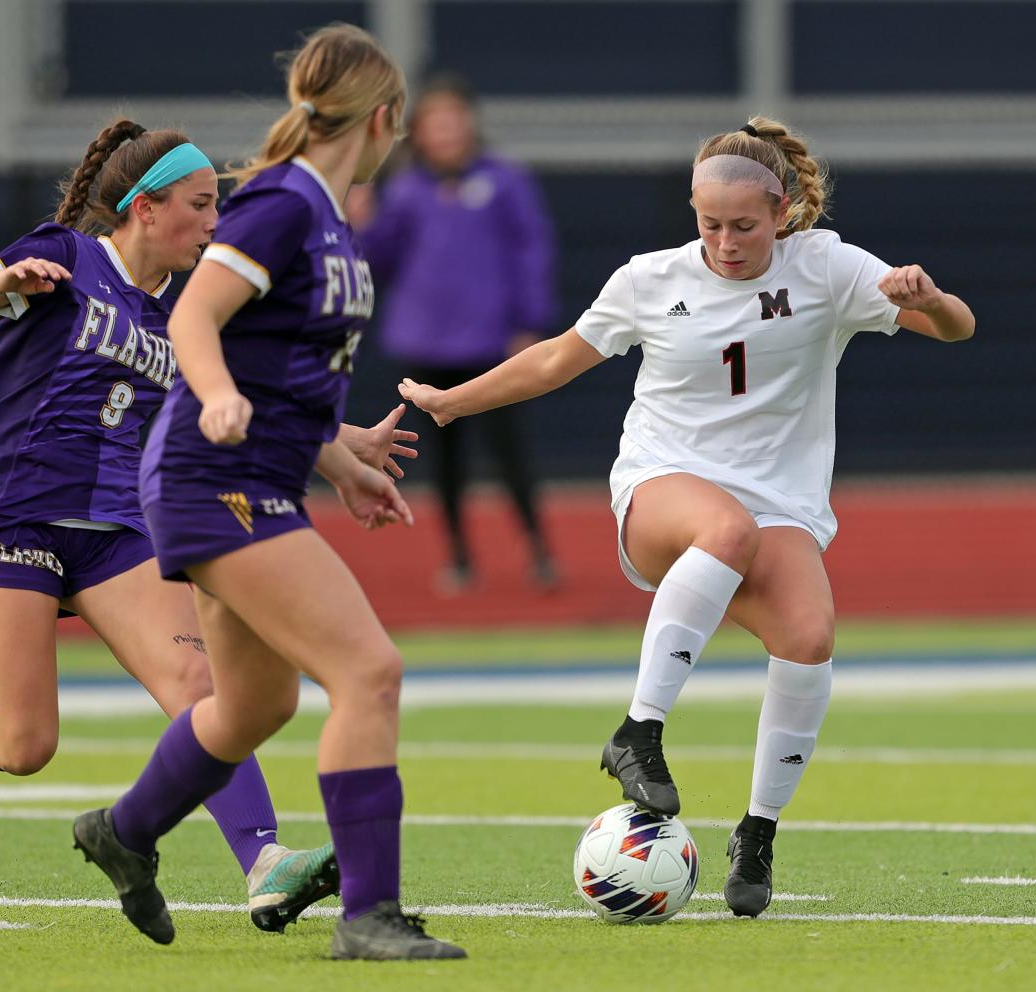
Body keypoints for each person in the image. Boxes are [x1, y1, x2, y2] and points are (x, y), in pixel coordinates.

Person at [400, 117, 975, 918]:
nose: (726, 242)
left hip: (779, 504)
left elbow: (956, 328)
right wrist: (452, 404)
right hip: (662, 489)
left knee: (809, 639)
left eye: (744, 225)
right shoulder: (649, 278)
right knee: (726, 530)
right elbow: (556, 357)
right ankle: (638, 731)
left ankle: (759, 832)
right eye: (710, 223)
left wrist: (932, 298)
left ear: (782, 211)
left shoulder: (828, 266)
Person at [0, 117, 416, 933]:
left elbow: (243, 400)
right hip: (10, 516)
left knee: (201, 686)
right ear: (144, 210)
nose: (215, 223)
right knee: (27, 745)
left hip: (114, 528)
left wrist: (340, 443)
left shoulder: (180, 313)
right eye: (200, 204)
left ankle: (264, 863)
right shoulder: (68, 256)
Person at [72, 25, 465, 960]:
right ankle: (369, 916)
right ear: (385, 118)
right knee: (369, 670)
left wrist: (341, 462)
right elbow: (198, 316)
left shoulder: (324, 212)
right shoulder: (286, 202)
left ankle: (122, 833)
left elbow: (283, 370)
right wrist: (212, 398)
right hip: (216, 480)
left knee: (256, 707)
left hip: (248, 479)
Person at [350, 73, 558, 592]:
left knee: (511, 452)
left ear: (470, 125)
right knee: (443, 461)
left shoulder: (505, 181)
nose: (444, 133)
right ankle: (460, 557)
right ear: (418, 132)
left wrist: (528, 323)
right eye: (433, 123)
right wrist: (361, 224)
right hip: (426, 345)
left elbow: (532, 252)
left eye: (453, 121)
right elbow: (379, 258)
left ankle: (538, 549)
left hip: (491, 345)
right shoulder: (402, 188)